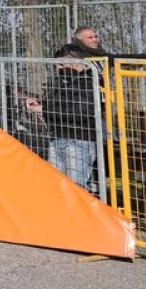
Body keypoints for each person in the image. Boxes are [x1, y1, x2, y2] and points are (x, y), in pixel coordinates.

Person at [41, 45, 100, 189]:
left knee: (76, 188)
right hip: (57, 139)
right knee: (55, 186)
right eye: (59, 65)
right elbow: (48, 108)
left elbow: (82, 112)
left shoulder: (88, 82)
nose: (60, 68)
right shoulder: (57, 83)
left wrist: (52, 111)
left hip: (79, 141)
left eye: (63, 64)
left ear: (79, 64)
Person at [66, 26, 146, 61]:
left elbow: (121, 58)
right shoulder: (71, 54)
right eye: (90, 38)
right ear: (80, 40)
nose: (95, 40)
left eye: (96, 36)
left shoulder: (101, 55)